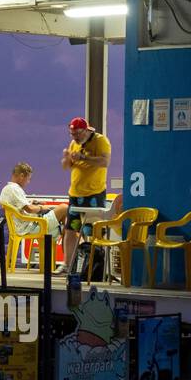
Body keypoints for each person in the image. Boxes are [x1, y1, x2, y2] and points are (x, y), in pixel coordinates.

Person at [61, 116, 112, 274]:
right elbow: (66, 166)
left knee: (92, 232)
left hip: (93, 194)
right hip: (75, 194)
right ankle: (67, 265)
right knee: (70, 230)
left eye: (77, 134)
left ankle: (95, 267)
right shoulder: (74, 143)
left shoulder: (100, 141)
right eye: (72, 134)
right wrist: (67, 158)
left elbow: (104, 162)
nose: (74, 137)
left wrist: (83, 157)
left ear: (86, 130)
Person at [0, 163, 67, 268]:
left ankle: (64, 233)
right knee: (64, 208)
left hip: (21, 227)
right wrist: (41, 208)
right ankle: (68, 260)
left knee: (64, 222)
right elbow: (29, 209)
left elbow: (22, 207)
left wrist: (34, 203)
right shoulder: (14, 189)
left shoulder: (6, 189)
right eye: (28, 179)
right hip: (30, 227)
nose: (28, 182)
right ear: (22, 176)